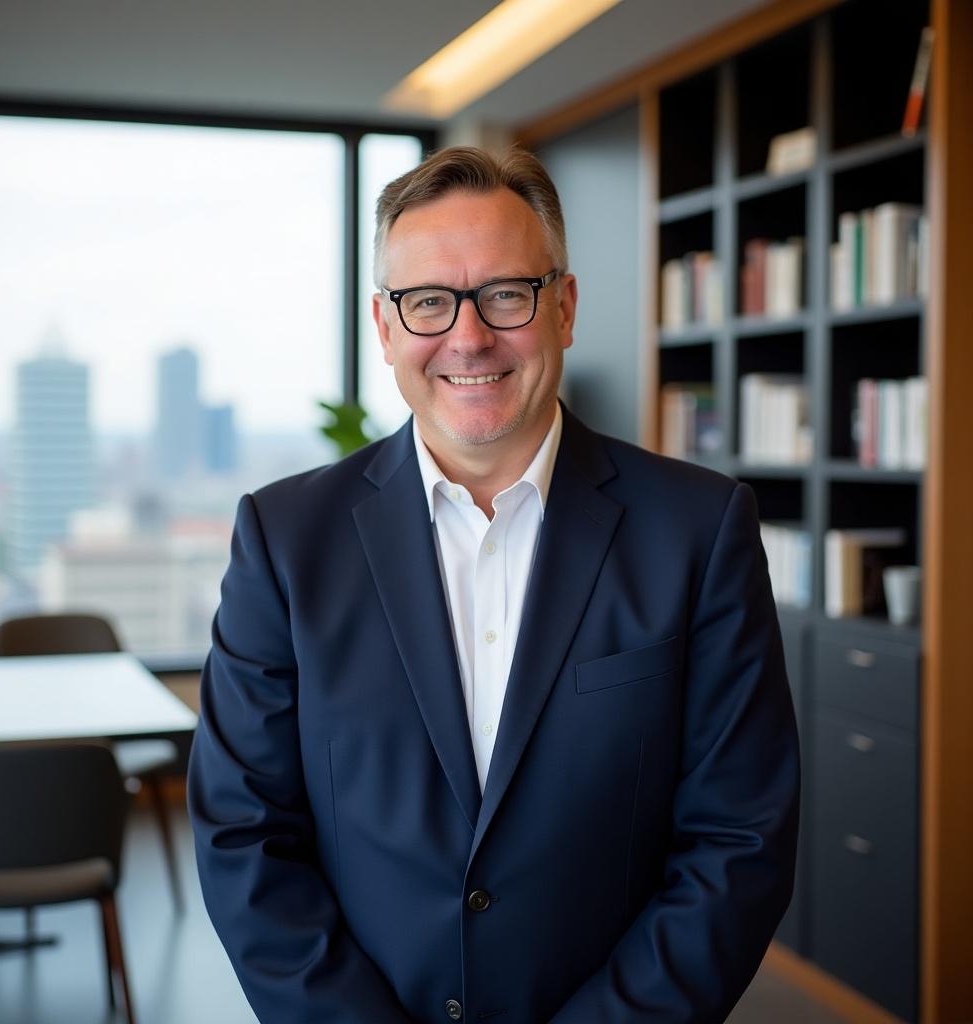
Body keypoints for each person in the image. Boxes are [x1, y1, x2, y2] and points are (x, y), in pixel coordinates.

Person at [188, 145, 800, 1024]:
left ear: (565, 307)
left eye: (505, 294)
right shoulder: (286, 541)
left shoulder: (698, 531)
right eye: (428, 301)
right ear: (386, 326)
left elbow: (739, 843)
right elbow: (245, 835)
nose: (467, 337)